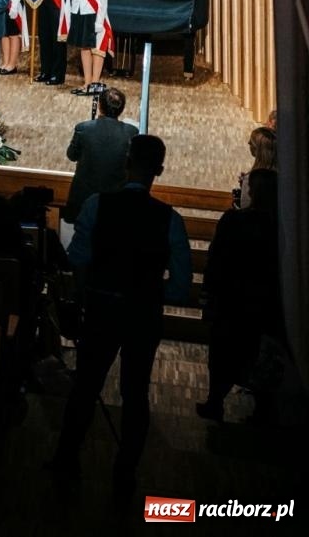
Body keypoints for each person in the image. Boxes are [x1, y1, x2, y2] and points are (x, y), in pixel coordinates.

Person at [51, 134, 191, 490]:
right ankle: (125, 471)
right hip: (143, 316)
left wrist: (88, 292)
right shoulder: (170, 219)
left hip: (101, 309)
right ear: (160, 170)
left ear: (127, 162)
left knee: (86, 387)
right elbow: (180, 285)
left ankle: (66, 459)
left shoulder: (97, 205)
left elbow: (78, 258)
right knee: (136, 394)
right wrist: (149, 294)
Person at [199, 169, 282, 422]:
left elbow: (216, 257)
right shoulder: (280, 228)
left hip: (231, 299)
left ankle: (215, 401)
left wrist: (209, 291)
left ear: (252, 192)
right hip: (263, 302)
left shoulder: (234, 220)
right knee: (259, 355)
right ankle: (261, 410)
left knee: (223, 352)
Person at [62, 86, 139, 225]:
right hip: (116, 200)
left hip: (84, 198)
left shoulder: (83, 128)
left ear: (99, 106)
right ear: (121, 109)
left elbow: (71, 155)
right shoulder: (132, 132)